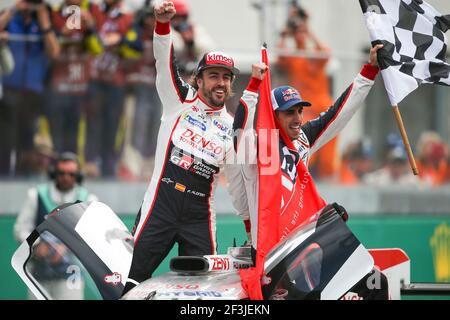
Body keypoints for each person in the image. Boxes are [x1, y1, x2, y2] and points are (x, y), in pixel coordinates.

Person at [233, 44, 388, 299]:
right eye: (289, 112)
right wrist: (253, 86)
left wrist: (369, 70)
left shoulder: (302, 139)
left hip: (304, 246)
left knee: (375, 281)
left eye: (299, 111)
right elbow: (239, 132)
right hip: (272, 257)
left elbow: (338, 114)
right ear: (273, 117)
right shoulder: (260, 150)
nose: (297, 118)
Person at [123, 0, 253, 295]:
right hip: (161, 206)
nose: (220, 83)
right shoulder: (178, 100)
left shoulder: (233, 127)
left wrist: (249, 224)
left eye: (226, 77)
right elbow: (163, 62)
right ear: (199, 78)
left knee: (205, 291)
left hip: (199, 214)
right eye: (213, 76)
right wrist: (163, 26)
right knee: (133, 281)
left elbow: (236, 184)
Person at [13, 152, 98, 299]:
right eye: (61, 173)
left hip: (72, 273)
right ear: (54, 173)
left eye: (71, 174)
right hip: (38, 273)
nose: (66, 177)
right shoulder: (37, 195)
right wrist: (38, 245)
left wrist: (66, 247)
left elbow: (93, 236)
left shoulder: (87, 200)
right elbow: (21, 229)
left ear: (78, 176)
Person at [277, 4, 339, 181]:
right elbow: (280, 56)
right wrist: (285, 33)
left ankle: (328, 180)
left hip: (322, 105)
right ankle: (303, 177)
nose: (299, 35)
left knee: (327, 152)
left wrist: (308, 29)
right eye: (298, 32)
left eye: (301, 32)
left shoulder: (314, 55)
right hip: (304, 109)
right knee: (304, 146)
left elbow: (326, 54)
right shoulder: (294, 57)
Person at [0, 0, 60, 176]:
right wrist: (12, 10)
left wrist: (43, 20)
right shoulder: (11, 16)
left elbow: (54, 52)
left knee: (27, 139)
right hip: (9, 88)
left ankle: (22, 176)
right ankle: (2, 176)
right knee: (5, 139)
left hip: (34, 91)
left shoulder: (45, 18)